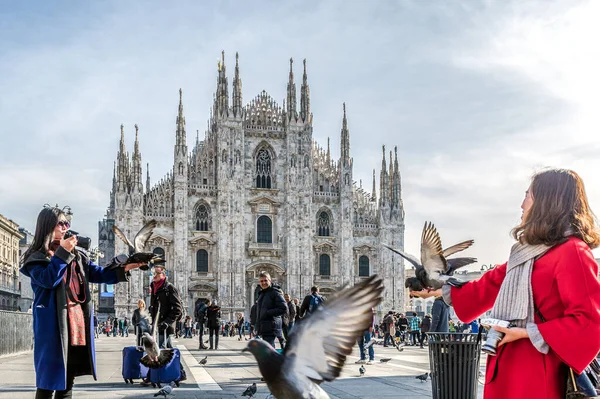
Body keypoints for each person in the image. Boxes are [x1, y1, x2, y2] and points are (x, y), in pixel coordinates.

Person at [412, 169, 600, 399]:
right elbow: (486, 286)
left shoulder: (572, 252)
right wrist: (436, 290)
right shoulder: (524, 253)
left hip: (538, 377)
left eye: (528, 196)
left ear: (547, 201)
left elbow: (590, 323)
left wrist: (527, 333)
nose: (522, 204)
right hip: (505, 371)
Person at [20, 205, 145, 398]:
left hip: (75, 323)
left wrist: (127, 267)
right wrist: (62, 253)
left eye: (66, 223)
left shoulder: (76, 255)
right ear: (47, 226)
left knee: (67, 381)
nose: (65, 227)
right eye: (60, 223)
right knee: (47, 383)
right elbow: (48, 279)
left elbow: (99, 273)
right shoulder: (36, 257)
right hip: (53, 326)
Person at [148, 265, 183, 349]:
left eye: (157, 273)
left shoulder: (170, 288)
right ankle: (176, 362)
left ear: (163, 274)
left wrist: (167, 322)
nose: (154, 275)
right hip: (157, 324)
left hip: (166, 326)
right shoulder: (154, 286)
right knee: (167, 350)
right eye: (153, 273)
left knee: (161, 350)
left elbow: (177, 309)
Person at [254, 272, 287, 348]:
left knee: (268, 350)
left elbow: (283, 308)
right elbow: (260, 313)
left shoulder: (275, 292)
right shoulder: (262, 293)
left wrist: (268, 312)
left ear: (270, 280)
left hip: (271, 326)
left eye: (265, 280)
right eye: (261, 281)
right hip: (265, 326)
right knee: (268, 349)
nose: (264, 283)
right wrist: (257, 327)